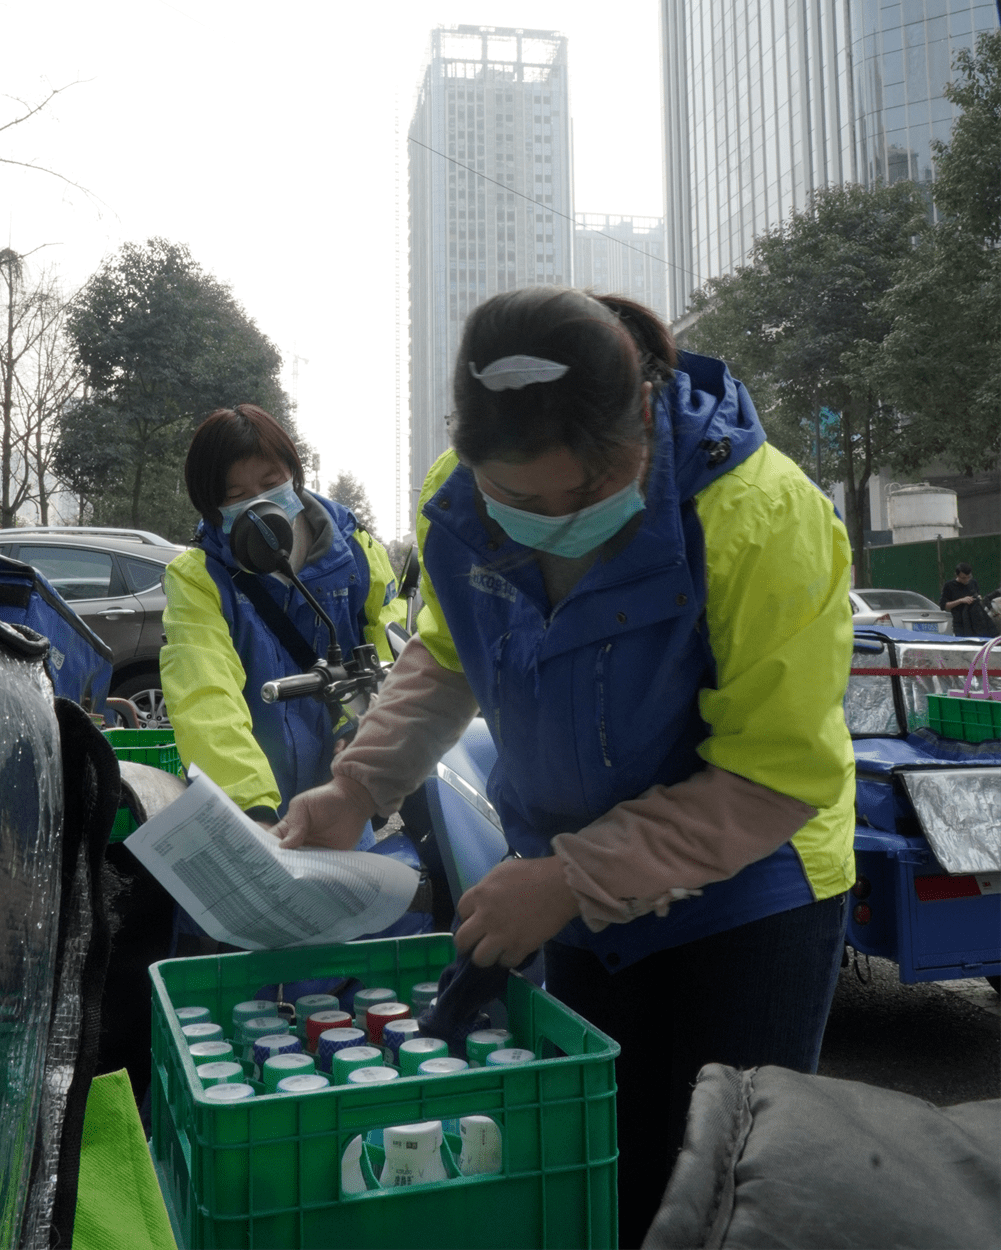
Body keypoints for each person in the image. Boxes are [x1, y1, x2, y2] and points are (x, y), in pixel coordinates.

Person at [276, 289, 856, 1244]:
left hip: (757, 890)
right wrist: (356, 785)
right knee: (611, 1155)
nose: (551, 519)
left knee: (723, 1189)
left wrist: (572, 876)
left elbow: (774, 776)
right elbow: (449, 654)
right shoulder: (457, 508)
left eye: (585, 492)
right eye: (520, 500)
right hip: (572, 886)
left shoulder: (758, 516)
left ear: (644, 417)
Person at [160, 404, 411, 841]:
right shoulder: (199, 577)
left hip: (340, 793)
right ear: (212, 506)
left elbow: (392, 657)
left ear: (294, 475)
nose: (256, 502)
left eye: (270, 482)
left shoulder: (356, 552)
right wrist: (248, 808)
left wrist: (361, 736)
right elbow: (204, 697)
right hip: (251, 810)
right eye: (234, 494)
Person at [941, 563, 997, 638]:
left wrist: (978, 598)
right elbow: (944, 605)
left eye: (969, 577)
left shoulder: (973, 583)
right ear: (957, 575)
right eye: (963, 578)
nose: (966, 580)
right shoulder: (949, 586)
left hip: (976, 622)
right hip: (960, 624)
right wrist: (960, 600)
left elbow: (978, 597)